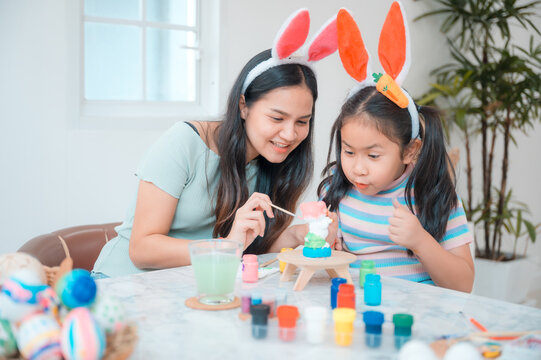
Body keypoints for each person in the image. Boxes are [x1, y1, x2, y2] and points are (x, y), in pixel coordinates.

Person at [92, 9, 338, 277]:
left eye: (302, 122)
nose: (290, 134)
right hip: (121, 284)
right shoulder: (184, 143)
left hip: (192, 289)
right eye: (277, 117)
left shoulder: (277, 163)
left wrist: (296, 237)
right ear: (244, 106)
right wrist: (226, 247)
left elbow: (248, 247)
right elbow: (142, 250)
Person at [317, 5, 474, 292]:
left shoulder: (432, 195)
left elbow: (463, 285)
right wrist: (322, 245)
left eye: (373, 155)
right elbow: (331, 274)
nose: (357, 167)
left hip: (419, 321)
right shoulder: (335, 193)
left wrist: (420, 241)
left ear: (410, 151)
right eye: (348, 151)